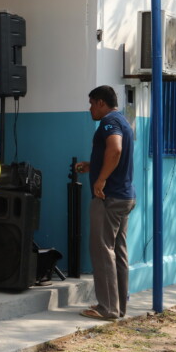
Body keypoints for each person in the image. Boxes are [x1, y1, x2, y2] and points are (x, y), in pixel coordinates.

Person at [75, 85, 136, 321]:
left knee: (102, 251)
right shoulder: (122, 121)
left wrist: (100, 179)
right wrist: (92, 167)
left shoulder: (109, 122)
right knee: (118, 251)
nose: (90, 108)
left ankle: (107, 308)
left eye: (91, 103)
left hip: (108, 197)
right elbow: (114, 155)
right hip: (125, 196)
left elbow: (116, 150)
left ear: (101, 103)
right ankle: (118, 306)